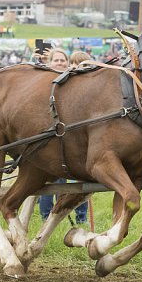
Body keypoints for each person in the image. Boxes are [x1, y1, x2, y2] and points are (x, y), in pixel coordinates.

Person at [38, 46, 89, 225]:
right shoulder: (41, 82)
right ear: (50, 62)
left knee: (80, 180)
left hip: (72, 136)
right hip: (49, 136)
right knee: (49, 180)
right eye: (56, 60)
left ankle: (79, 217)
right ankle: (47, 217)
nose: (60, 63)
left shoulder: (72, 81)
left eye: (62, 60)